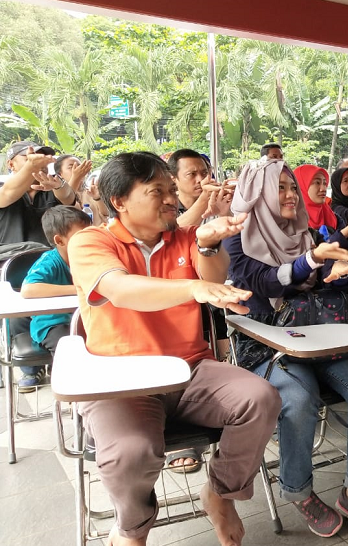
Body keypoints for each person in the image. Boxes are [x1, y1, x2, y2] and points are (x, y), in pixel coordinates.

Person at [67, 151, 281, 546]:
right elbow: (120, 289)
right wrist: (193, 288)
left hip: (191, 368)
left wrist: (211, 245)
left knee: (261, 398)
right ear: (119, 201)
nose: (171, 198)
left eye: (171, 189)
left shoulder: (184, 237)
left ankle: (219, 494)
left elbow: (213, 275)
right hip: (121, 379)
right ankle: (131, 529)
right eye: (157, 191)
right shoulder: (90, 241)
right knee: (131, 453)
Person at [226, 158, 348, 539]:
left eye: (290, 188)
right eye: (279, 188)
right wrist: (313, 260)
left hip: (315, 337)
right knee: (300, 400)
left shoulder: (304, 232)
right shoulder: (238, 238)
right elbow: (266, 284)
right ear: (259, 193)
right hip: (267, 343)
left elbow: (314, 286)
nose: (289, 196)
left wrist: (336, 276)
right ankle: (299, 491)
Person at [14, 206, 91, 391]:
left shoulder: (90, 255)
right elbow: (28, 289)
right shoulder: (50, 261)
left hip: (85, 318)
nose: (89, 238)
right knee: (69, 349)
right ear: (59, 240)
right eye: (82, 235)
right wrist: (77, 289)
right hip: (52, 323)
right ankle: (73, 394)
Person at [1, 141, 78, 247]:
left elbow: (68, 197)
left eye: (41, 158)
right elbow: (7, 193)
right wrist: (31, 166)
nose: (40, 163)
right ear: (11, 164)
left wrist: (58, 186)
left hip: (50, 259)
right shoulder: (4, 189)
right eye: (29, 158)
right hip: (10, 258)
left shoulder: (53, 183)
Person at [167, 149, 232, 227]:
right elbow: (171, 233)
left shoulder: (217, 203)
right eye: (192, 174)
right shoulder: (166, 208)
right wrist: (204, 198)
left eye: (204, 173)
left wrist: (225, 213)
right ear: (173, 179)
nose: (200, 179)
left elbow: (232, 234)